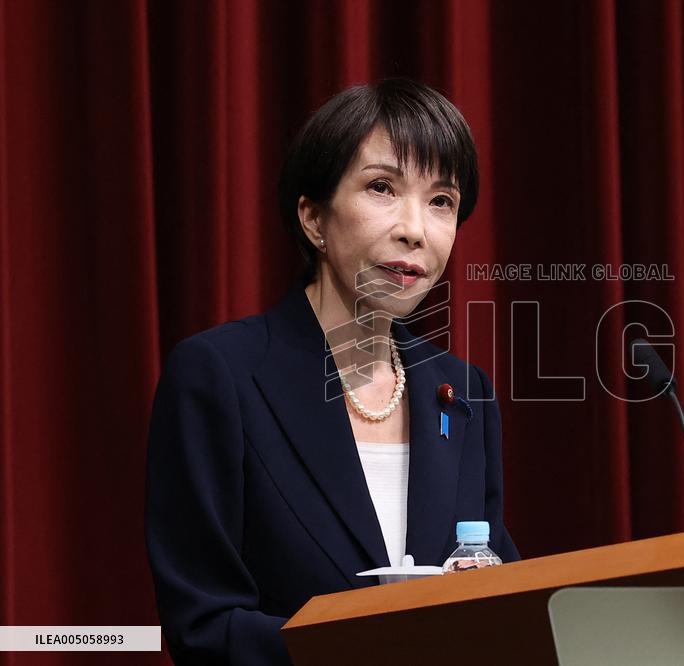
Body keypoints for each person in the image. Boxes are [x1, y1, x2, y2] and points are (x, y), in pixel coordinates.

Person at [145, 78, 519, 665]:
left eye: (441, 201)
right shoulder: (220, 376)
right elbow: (205, 625)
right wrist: (373, 646)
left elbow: (499, 590)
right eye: (382, 188)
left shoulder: (463, 392)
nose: (415, 229)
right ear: (313, 219)